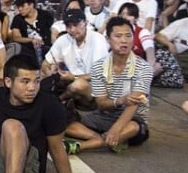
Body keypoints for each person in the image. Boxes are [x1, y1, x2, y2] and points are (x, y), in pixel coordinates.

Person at [63, 16, 153, 153]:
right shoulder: (99, 67)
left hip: (132, 119)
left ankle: (84, 145)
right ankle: (102, 139)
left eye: (128, 36)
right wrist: (120, 101)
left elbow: (132, 105)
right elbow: (101, 103)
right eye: (118, 36)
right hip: (104, 116)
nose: (124, 40)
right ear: (108, 40)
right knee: (65, 124)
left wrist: (116, 129)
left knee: (134, 127)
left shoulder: (144, 68)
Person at [42, 8, 110, 104]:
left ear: (85, 23)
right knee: (42, 76)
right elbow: (45, 63)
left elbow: (98, 74)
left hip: (95, 87)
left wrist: (74, 77)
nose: (72, 29)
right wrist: (50, 75)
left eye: (76, 25)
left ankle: (58, 101)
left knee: (78, 85)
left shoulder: (97, 39)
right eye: (68, 26)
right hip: (69, 81)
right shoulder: (63, 40)